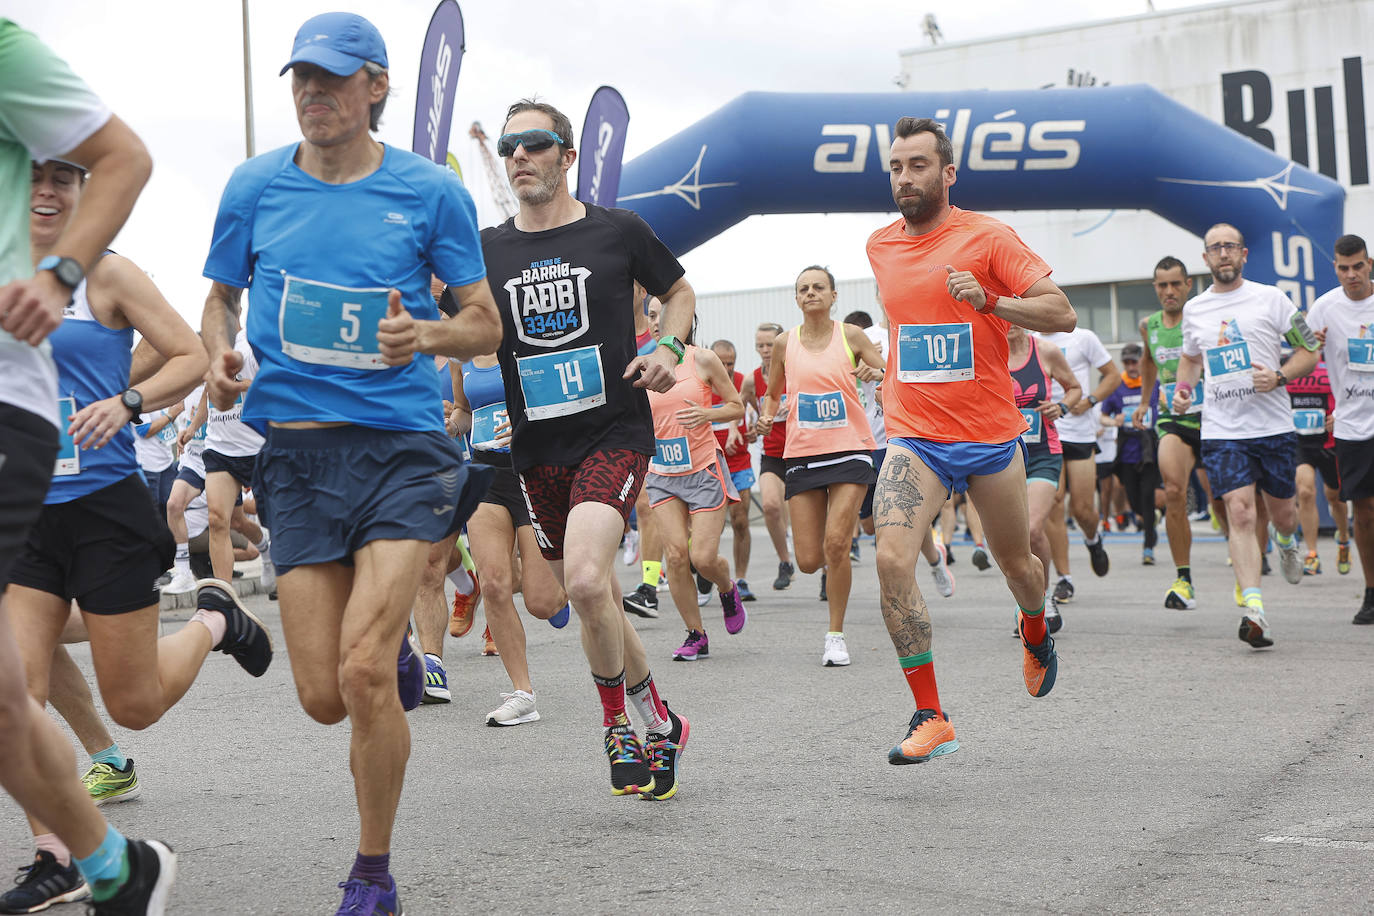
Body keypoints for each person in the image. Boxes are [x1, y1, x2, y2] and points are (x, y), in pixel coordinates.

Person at [199, 14, 501, 912]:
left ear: (376, 87)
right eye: (300, 79)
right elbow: (218, 299)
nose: (311, 94)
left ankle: (372, 872)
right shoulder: (253, 186)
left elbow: (484, 322)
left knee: (364, 672)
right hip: (292, 455)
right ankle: (396, 649)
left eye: (332, 79)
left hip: (402, 448)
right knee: (324, 697)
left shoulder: (427, 192)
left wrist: (429, 333)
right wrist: (217, 354)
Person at [482, 98, 691, 799]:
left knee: (581, 581)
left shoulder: (617, 230)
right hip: (537, 448)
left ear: (566, 156)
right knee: (589, 591)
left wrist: (669, 344)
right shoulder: (489, 248)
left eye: (535, 144)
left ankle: (615, 726)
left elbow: (680, 290)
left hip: (615, 431)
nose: (520, 157)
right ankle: (661, 720)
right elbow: (468, 332)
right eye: (511, 147)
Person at [0, 29, 163, 901]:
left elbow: (180, 356)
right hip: (31, 505)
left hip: (103, 500)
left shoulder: (105, 274)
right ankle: (63, 858)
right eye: (43, 173)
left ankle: (214, 618)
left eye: (70, 173)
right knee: (17, 683)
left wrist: (126, 403)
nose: (54, 187)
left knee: (134, 699)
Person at [866, 117, 1076, 764]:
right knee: (891, 559)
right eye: (897, 166)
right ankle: (931, 713)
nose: (905, 177)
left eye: (919, 165)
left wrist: (990, 300)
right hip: (915, 436)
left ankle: (1035, 628)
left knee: (1018, 565)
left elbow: (1060, 312)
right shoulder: (879, 246)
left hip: (988, 437)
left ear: (948, 172)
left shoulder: (987, 237)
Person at [1172, 223, 1318, 648]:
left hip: (1272, 427)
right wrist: (1183, 392)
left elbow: (1309, 351)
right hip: (1222, 430)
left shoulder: (1272, 299)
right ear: (1205, 258)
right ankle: (1254, 610)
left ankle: (1288, 541)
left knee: (1282, 514)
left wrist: (1279, 376)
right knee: (1239, 512)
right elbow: (1189, 360)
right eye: (1215, 248)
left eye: (1230, 247)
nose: (1223, 254)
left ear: (1244, 254)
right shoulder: (1196, 309)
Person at [757, 266, 884, 666]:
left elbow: (887, 372)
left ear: (833, 296)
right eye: (803, 289)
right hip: (803, 453)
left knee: (836, 545)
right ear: (796, 298)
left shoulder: (851, 336)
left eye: (818, 287)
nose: (810, 293)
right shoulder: (784, 343)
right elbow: (773, 393)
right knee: (810, 561)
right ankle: (827, 564)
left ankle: (835, 636)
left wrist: (873, 372)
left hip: (850, 449)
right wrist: (766, 415)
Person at [450, 339, 571, 722]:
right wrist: (453, 423)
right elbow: (465, 413)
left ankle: (571, 586)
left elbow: (557, 406)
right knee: (495, 584)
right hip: (485, 475)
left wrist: (525, 429)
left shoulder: (524, 343)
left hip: (532, 472)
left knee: (540, 602)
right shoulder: (462, 356)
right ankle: (523, 694)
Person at [647, 334, 748, 659]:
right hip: (661, 473)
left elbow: (736, 406)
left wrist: (708, 414)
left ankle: (727, 588)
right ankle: (696, 634)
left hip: (702, 467)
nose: (656, 320)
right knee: (675, 556)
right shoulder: (639, 363)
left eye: (662, 312)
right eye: (651, 313)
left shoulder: (701, 359)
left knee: (703, 558)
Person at [1133, 256, 1211, 609]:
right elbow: (1149, 361)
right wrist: (1144, 401)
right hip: (1171, 417)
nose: (1169, 291)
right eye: (1162, 285)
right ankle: (1184, 579)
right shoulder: (1148, 324)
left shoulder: (1204, 317)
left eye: (1175, 284)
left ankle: (1258, 554)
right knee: (1175, 488)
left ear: (1188, 284)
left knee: (1223, 502)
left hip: (1213, 417)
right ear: (1155, 288)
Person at [1306, 233, 1374, 623]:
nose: (1351, 275)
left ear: (1369, 264)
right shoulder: (1325, 308)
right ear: (1335, 267)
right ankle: (1370, 592)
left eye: (1358, 266)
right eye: (1344, 268)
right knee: (1363, 512)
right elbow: (1299, 349)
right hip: (1350, 425)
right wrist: (1307, 345)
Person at [1007, 323, 1081, 633]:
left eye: (1013, 314)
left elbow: (1074, 387)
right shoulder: (987, 353)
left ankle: (1042, 599)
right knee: (1013, 539)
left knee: (1034, 529)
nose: (1008, 323)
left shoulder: (1045, 351)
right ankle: (1028, 601)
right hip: (1004, 456)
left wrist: (1061, 406)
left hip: (1043, 455)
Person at [1037, 324, 1120, 603]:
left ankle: (1093, 539)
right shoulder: (1029, 339)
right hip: (1045, 432)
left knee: (1083, 510)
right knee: (1053, 504)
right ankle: (1064, 578)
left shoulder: (1083, 337)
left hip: (1079, 432)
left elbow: (1112, 376)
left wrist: (1091, 400)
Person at [745, 321, 797, 590]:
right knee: (771, 506)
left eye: (770, 344)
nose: (766, 350)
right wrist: (740, 429)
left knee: (809, 519)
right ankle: (785, 562)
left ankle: (826, 570)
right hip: (772, 454)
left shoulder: (798, 369)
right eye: (760, 345)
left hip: (802, 452)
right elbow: (738, 405)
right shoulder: (753, 379)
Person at [1285, 358, 1347, 576]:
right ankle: (1312, 554)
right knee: (1305, 491)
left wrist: (1339, 416)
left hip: (1329, 443)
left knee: (1335, 496)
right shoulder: (1286, 368)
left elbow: (1349, 394)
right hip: (1301, 442)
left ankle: (1344, 539)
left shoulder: (1332, 366)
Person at [1102, 342, 1161, 565]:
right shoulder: (1117, 386)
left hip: (1149, 451)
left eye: (1134, 361)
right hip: (1126, 451)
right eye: (1126, 362)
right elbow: (1102, 416)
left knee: (1147, 497)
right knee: (1135, 501)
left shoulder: (1153, 385)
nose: (1131, 366)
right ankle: (1149, 521)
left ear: (1141, 362)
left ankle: (1148, 546)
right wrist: (1112, 420)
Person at [709, 338, 758, 601]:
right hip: (708, 464)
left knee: (740, 521)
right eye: (722, 363)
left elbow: (755, 416)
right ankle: (709, 578)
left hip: (738, 462)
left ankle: (741, 579)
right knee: (710, 528)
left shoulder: (742, 382)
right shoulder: (702, 382)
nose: (727, 369)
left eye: (731, 363)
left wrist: (751, 431)